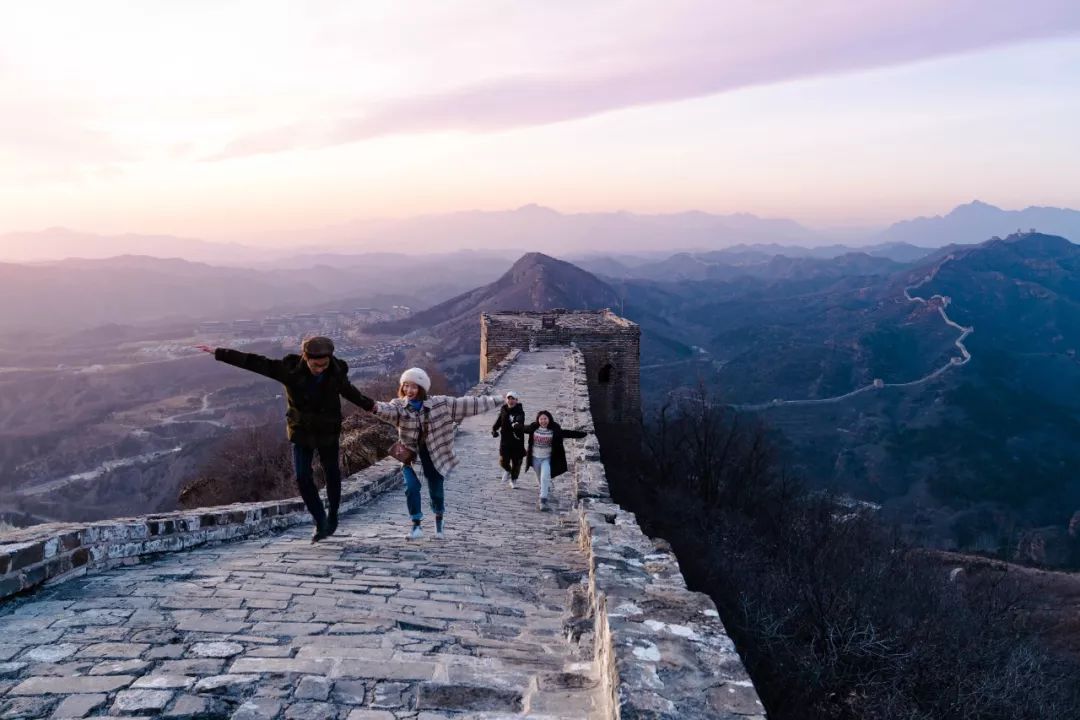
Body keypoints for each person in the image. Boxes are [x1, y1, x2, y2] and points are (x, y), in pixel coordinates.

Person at [196, 336, 367, 543]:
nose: (320, 369)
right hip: (301, 431)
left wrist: (375, 407)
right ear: (305, 357)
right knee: (302, 477)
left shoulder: (336, 373)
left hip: (328, 430)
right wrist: (219, 352)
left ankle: (333, 515)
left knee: (332, 473)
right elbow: (254, 362)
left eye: (324, 364)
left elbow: (352, 393)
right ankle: (320, 519)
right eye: (316, 365)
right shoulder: (290, 371)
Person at [363, 368, 501, 539]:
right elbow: (386, 409)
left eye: (414, 386)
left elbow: (468, 404)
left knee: (436, 493)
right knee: (411, 489)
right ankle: (416, 526)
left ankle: (439, 520)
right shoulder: (399, 406)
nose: (409, 390)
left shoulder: (439, 404)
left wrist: (498, 400)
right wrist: (370, 405)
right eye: (406, 386)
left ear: (422, 388)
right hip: (411, 458)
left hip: (435, 457)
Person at [524, 410, 588, 512]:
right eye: (541, 419)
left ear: (549, 419)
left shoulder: (554, 429)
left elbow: (567, 433)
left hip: (547, 458)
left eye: (545, 419)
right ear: (538, 420)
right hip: (535, 458)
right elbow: (522, 428)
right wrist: (513, 425)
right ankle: (544, 488)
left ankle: (543, 500)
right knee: (540, 479)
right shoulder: (533, 428)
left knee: (545, 477)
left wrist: (582, 434)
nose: (543, 421)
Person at [491, 390, 525, 489]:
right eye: (509, 398)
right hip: (505, 440)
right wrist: (494, 429)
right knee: (503, 460)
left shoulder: (520, 411)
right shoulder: (503, 409)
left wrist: (517, 424)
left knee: (516, 462)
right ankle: (507, 470)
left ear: (516, 400)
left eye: (513, 399)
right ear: (506, 400)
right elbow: (499, 420)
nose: (511, 401)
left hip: (517, 440)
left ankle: (514, 479)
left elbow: (520, 418)